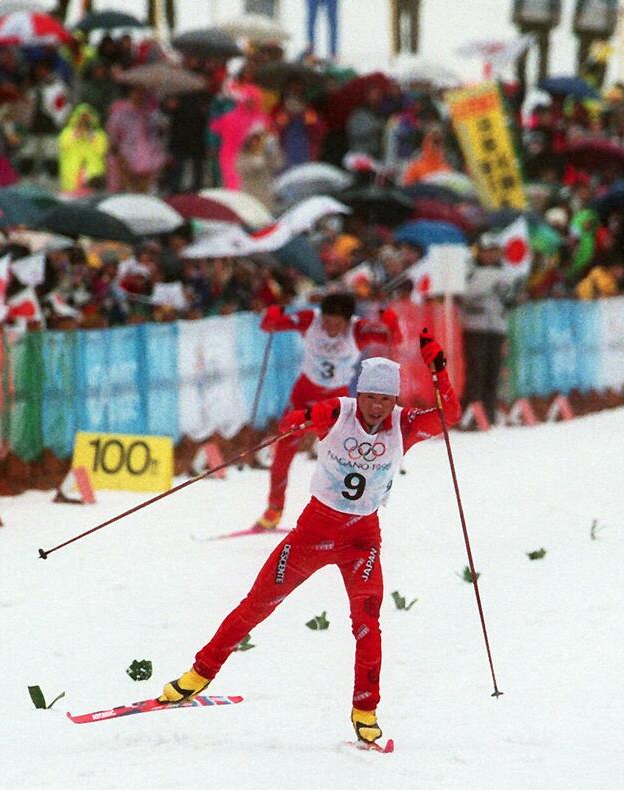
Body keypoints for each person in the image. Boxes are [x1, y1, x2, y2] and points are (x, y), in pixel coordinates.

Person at [159, 334, 462, 745]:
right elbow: (291, 423)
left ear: (394, 402)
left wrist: (438, 368)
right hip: (313, 532)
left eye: (385, 400)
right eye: (371, 397)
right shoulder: (340, 411)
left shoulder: (403, 424)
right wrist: (302, 420)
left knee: (367, 623)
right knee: (257, 604)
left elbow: (451, 415)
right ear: (361, 393)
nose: (377, 407)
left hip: (362, 539)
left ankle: (365, 710)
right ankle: (199, 673)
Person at [254, 291, 401, 531]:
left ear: (348, 321)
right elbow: (268, 326)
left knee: (346, 458)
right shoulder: (310, 320)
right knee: (284, 450)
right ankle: (274, 509)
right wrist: (272, 314)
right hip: (304, 394)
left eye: (337, 324)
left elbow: (394, 339)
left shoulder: (358, 330)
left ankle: (349, 512)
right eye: (328, 322)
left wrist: (391, 323)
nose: (331, 328)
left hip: (337, 402)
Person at [460, 231, 521, 422]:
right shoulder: (470, 270)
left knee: (492, 371)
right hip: (475, 327)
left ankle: (489, 412)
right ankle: (471, 413)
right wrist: (489, 283)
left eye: (494, 251)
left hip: (497, 327)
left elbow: (510, 299)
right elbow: (466, 295)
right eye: (487, 251)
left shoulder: (506, 272)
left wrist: (512, 295)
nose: (491, 255)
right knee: (476, 370)